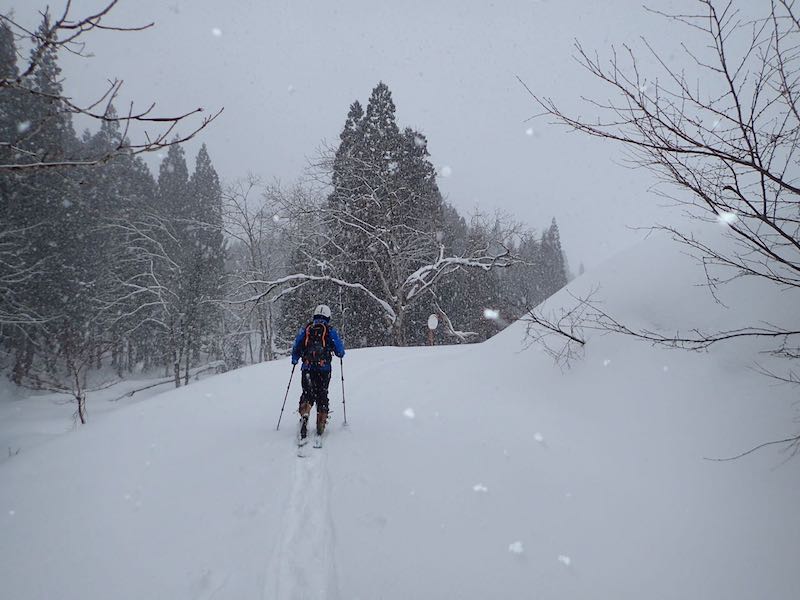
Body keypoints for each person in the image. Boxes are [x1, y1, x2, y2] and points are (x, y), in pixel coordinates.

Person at [290, 304, 345, 440]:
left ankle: (305, 412)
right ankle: (321, 420)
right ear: (328, 316)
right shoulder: (330, 331)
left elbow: (297, 345)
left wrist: (295, 359)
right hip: (324, 369)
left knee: (307, 393)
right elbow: (340, 352)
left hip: (307, 368)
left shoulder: (307, 329)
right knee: (322, 393)